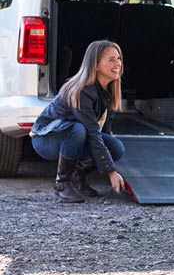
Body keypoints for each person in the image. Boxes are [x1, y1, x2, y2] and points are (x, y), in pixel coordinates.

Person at [30, 40, 126, 203]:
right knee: (79, 129)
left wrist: (116, 167)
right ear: (95, 65)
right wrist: (111, 172)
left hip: (74, 135)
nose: (117, 64)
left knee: (116, 147)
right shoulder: (81, 90)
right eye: (111, 60)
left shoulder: (108, 91)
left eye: (119, 58)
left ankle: (77, 178)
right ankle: (62, 183)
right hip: (46, 139)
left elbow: (103, 133)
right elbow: (93, 134)